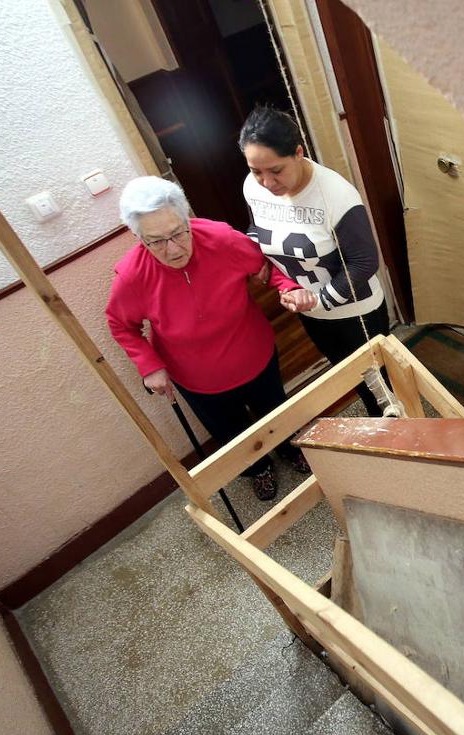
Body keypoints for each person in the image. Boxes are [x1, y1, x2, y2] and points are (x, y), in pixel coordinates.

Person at [105, 176, 307, 501]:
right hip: (196, 377)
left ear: (188, 219)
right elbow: (121, 325)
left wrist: (289, 288)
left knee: (275, 411)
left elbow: (266, 267)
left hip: (253, 353)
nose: (172, 249)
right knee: (231, 432)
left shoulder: (221, 238)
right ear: (137, 237)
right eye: (156, 241)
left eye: (177, 233)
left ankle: (288, 447)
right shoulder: (132, 277)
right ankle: (256, 469)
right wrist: (149, 365)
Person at [238, 105, 391, 416]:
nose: (267, 183)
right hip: (311, 312)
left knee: (384, 389)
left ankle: (408, 443)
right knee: (351, 378)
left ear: (298, 152)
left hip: (354, 311)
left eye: (276, 170)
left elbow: (363, 262)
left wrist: (318, 301)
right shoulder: (252, 187)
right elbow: (259, 230)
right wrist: (259, 262)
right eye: (256, 171)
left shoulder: (336, 195)